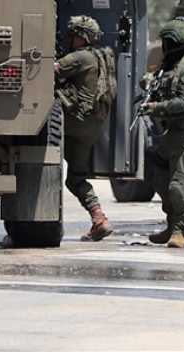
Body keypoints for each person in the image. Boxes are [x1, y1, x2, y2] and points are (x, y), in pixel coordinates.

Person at [141, 17, 184, 249]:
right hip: (167, 136)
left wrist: (156, 108)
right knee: (159, 176)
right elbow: (158, 88)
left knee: (178, 186)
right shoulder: (167, 68)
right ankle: (171, 225)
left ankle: (180, 231)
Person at [55, 15, 115, 241]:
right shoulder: (102, 57)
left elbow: (50, 70)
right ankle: (99, 218)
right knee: (75, 178)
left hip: (74, 120)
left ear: (81, 36)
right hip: (93, 125)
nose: (70, 39)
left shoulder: (80, 57)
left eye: (73, 35)